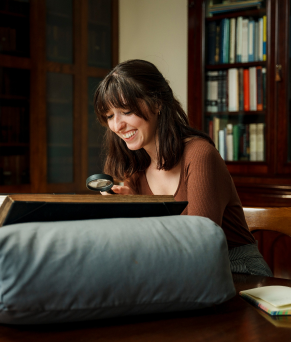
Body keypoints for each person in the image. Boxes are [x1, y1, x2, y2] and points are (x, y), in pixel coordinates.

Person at [94, 59, 272, 277]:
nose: (117, 125)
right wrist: (132, 209)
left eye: (127, 111)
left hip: (235, 272)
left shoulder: (199, 154)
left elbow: (200, 245)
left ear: (157, 103)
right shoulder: (134, 169)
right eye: (110, 116)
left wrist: (144, 216)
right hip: (176, 271)